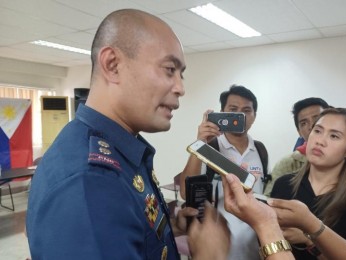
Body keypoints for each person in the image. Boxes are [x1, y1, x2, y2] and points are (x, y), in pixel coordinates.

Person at [26, 9, 230, 260]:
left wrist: (169, 228)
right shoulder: (90, 183)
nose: (180, 88)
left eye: (181, 73)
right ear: (113, 65)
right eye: (169, 69)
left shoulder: (118, 149)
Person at [270, 107, 346, 259]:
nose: (320, 141)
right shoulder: (283, 185)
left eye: (334, 136)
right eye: (317, 131)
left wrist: (310, 238)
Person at [179, 85, 268, 260]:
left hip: (254, 250)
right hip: (216, 249)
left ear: (254, 116)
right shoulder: (211, 146)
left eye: (246, 110)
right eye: (233, 110)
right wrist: (200, 142)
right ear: (222, 113)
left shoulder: (260, 150)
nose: (240, 115)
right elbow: (184, 191)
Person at [264, 97, 346, 196]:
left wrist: (308, 219)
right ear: (299, 132)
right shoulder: (285, 174)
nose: (310, 127)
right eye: (304, 123)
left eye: (334, 136)